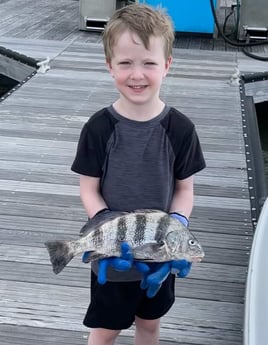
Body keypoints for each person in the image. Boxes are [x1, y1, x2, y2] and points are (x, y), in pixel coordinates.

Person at [71, 3, 206, 345]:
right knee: (106, 330)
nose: (137, 74)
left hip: (161, 258)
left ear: (167, 65)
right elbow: (89, 189)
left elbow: (185, 190)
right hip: (113, 258)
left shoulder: (181, 129)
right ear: (109, 66)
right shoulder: (99, 128)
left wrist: (178, 227)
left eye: (149, 63)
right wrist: (105, 226)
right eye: (125, 63)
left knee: (149, 325)